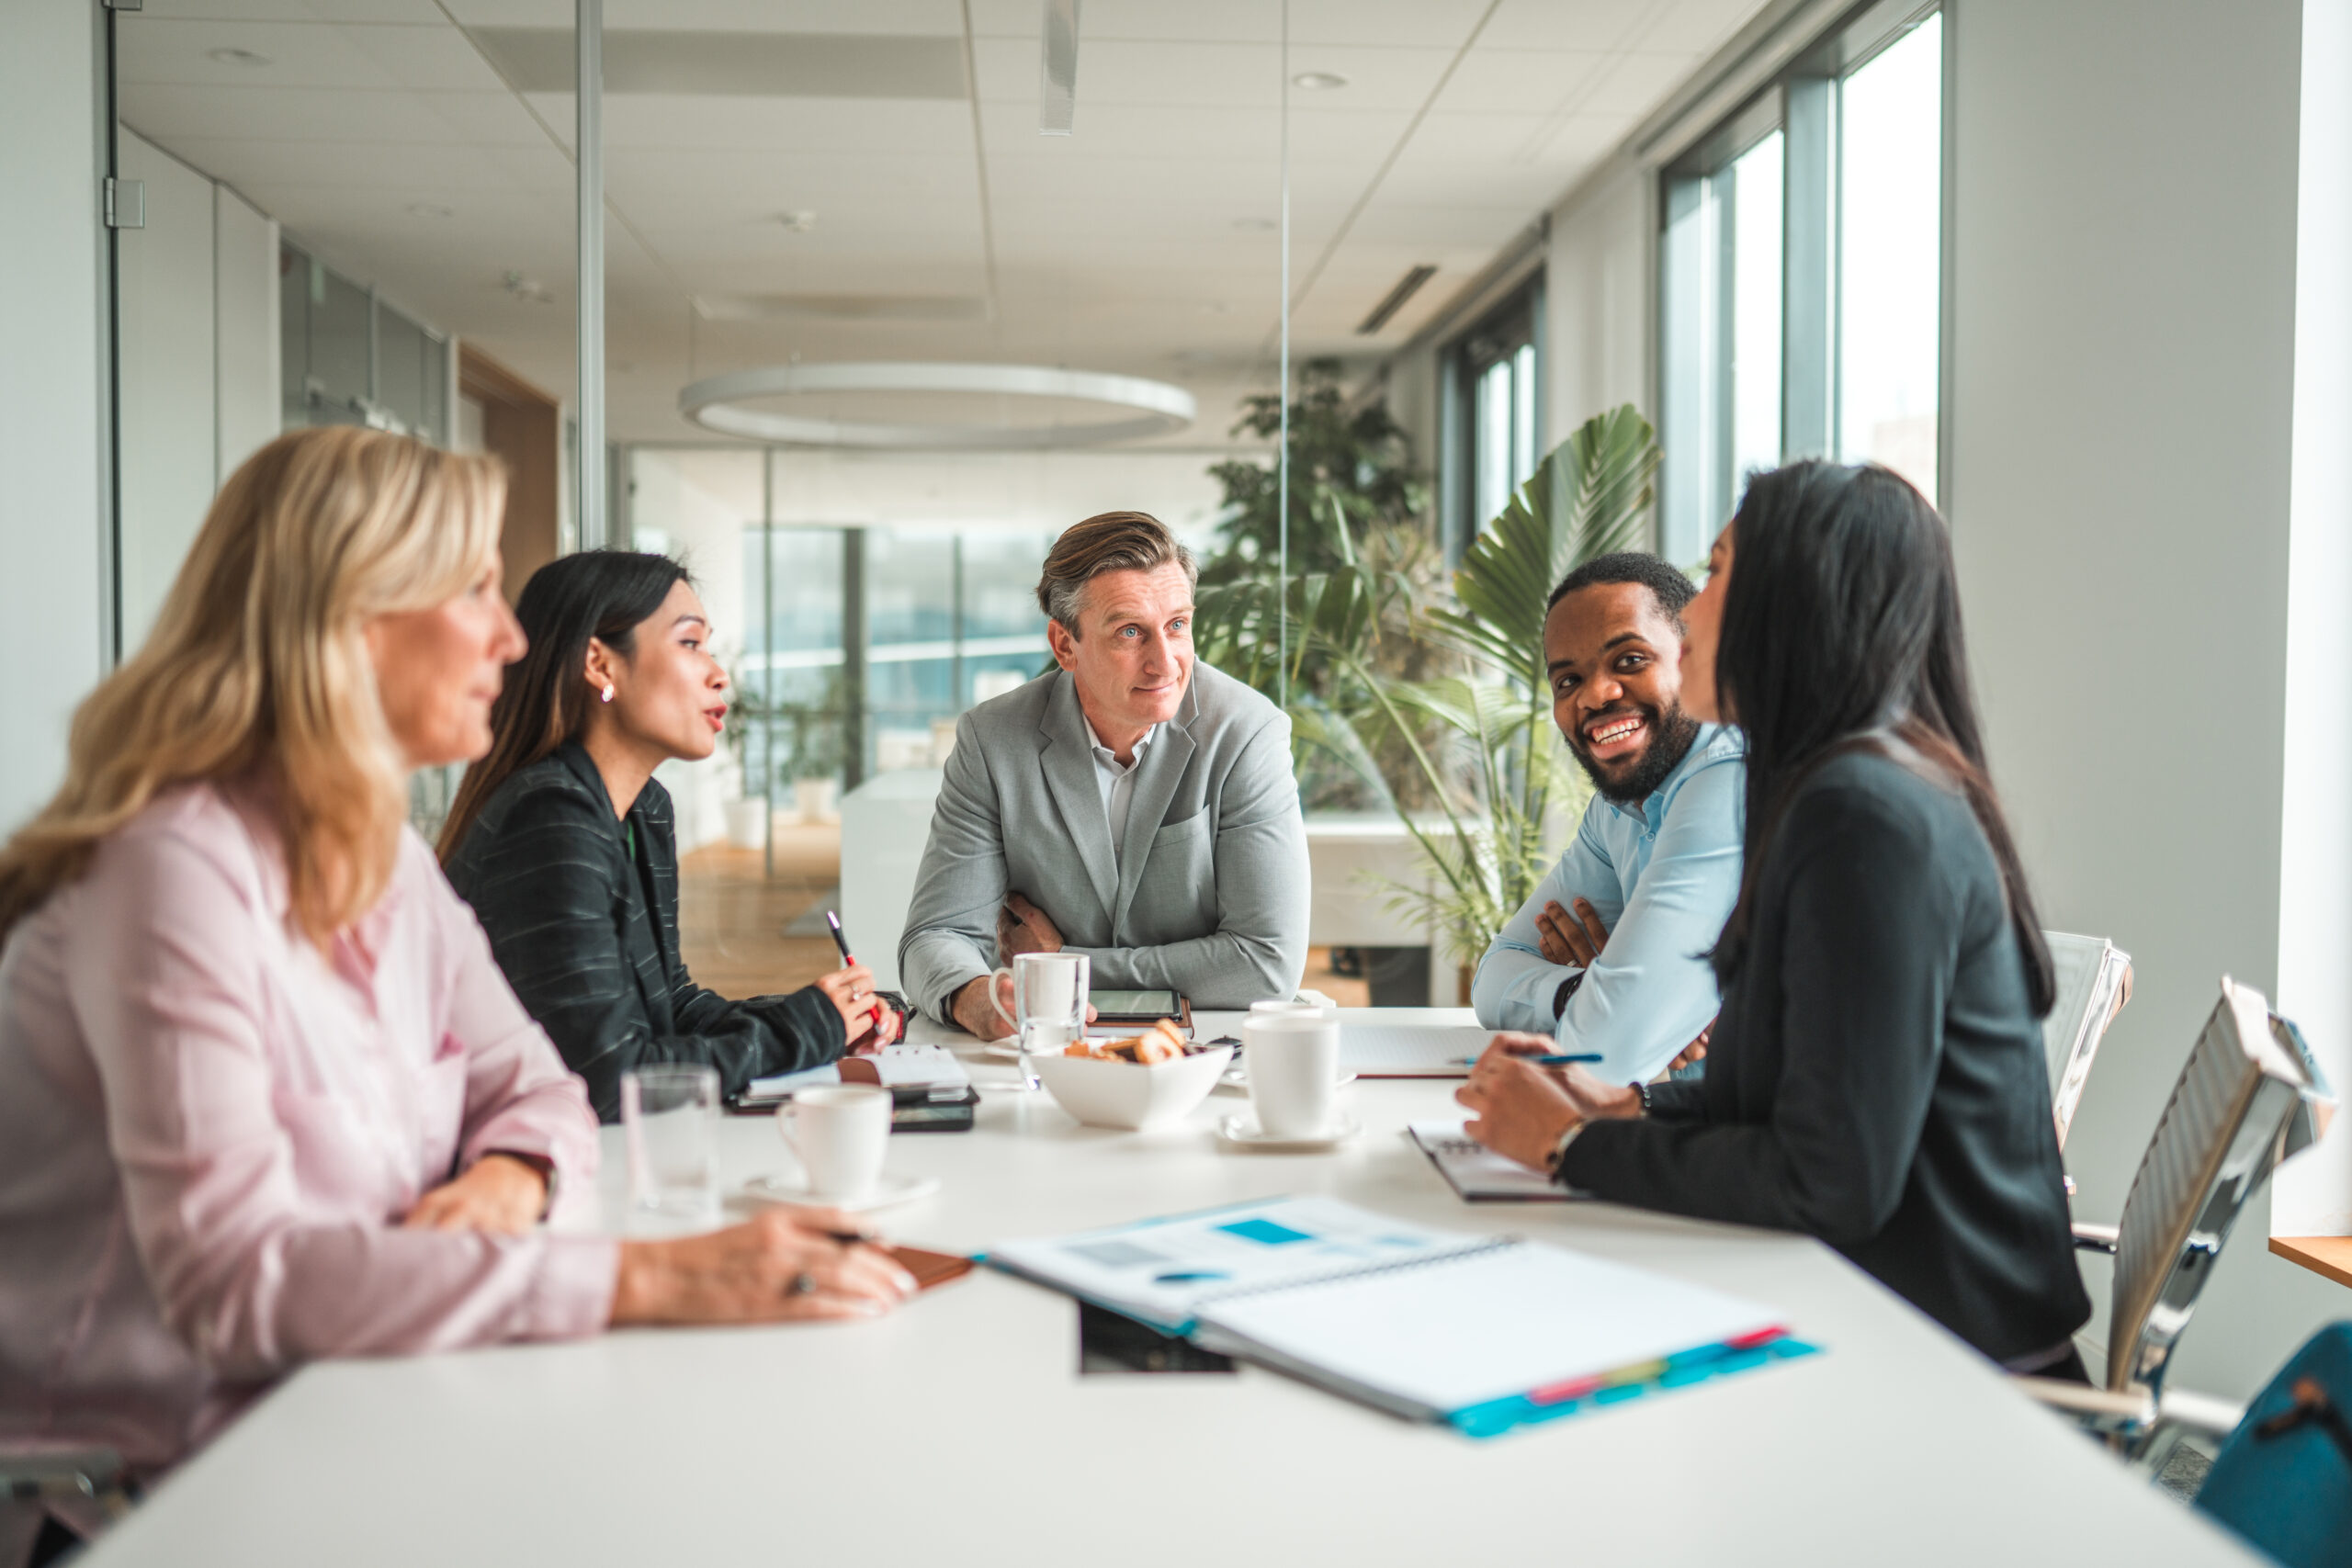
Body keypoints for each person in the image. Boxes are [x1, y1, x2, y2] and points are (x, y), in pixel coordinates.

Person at [0, 431, 913, 1566]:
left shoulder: (377, 858)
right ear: (349, 614)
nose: (511, 637)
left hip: (367, 1404)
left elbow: (539, 1087)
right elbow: (234, 1286)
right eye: (473, 589)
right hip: (161, 1498)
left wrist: (510, 1172)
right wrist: (644, 1276)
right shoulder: (173, 869)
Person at [1457, 461, 2093, 1374]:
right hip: (1880, 1316)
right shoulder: (1836, 789)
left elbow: (1832, 1179)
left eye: (1716, 572)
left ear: (1793, 604)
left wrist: (1571, 1144)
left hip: (1949, 1371)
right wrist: (1632, 1103)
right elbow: (1810, 1092)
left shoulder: (1862, 815)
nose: (1690, 612)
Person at [438, 551, 895, 1123]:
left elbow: (669, 1004)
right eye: (690, 643)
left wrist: (829, 1015)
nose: (718, 673)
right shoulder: (551, 819)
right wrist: (805, 1029)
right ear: (600, 664)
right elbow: (610, 1077)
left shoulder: (643, 810)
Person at [898, 510, 1310, 1040]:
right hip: (1046, 1043)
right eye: (1130, 632)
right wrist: (975, 999)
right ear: (1064, 646)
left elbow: (1266, 962)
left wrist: (1064, 964)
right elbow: (936, 935)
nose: (1165, 663)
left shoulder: (1247, 734)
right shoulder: (992, 740)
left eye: (1177, 626)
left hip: (1208, 1049)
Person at [1470, 553, 1743, 1084]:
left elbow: (1606, 1049)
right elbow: (1493, 978)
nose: (1595, 695)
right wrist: (1583, 990)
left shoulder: (1729, 776)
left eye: (1630, 660)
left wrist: (1622, 1005)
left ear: (1694, 656)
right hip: (1688, 1119)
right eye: (1568, 680)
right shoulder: (1618, 809)